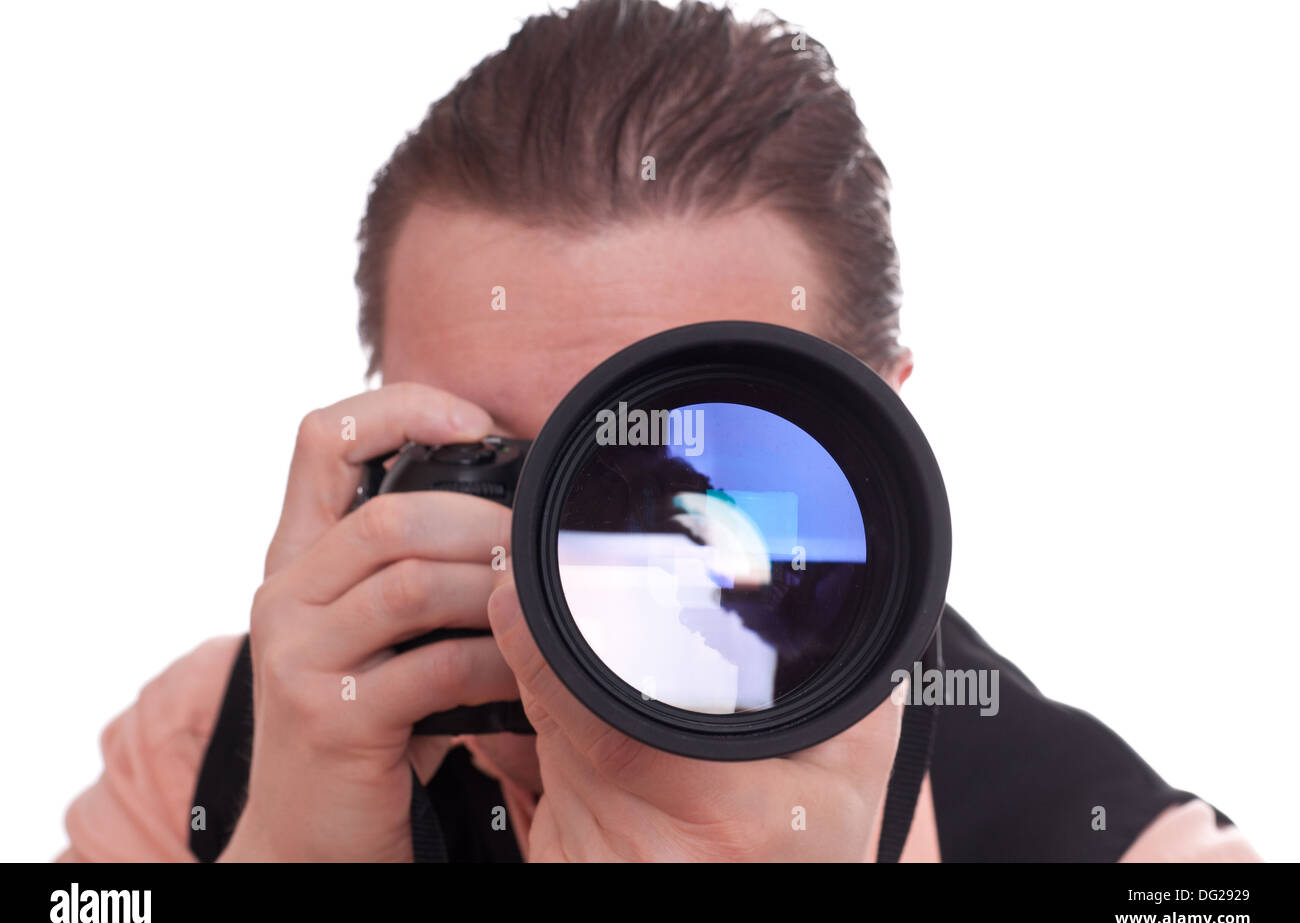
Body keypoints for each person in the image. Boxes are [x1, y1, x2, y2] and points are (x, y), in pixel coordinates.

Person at [59, 0, 1258, 862]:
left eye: (695, 464)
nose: (575, 570)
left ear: (875, 442)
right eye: (501, 468)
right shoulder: (215, 744)